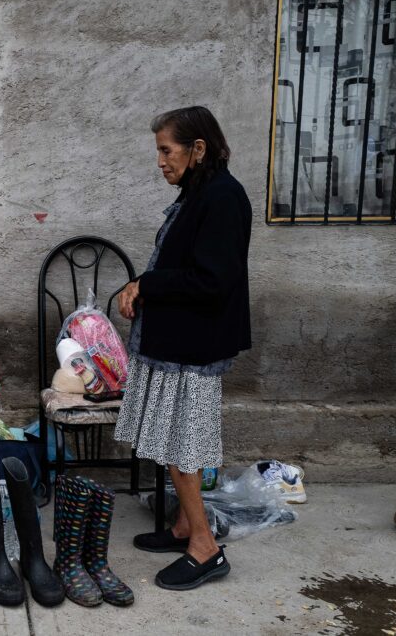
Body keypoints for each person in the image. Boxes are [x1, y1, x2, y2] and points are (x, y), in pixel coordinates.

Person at [114, 106, 252, 591]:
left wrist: (148, 283)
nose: (160, 161)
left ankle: (205, 549)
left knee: (184, 447)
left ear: (198, 149)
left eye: (166, 150)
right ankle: (183, 528)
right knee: (173, 443)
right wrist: (142, 285)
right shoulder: (200, 194)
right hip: (177, 343)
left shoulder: (223, 198)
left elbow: (212, 280)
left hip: (194, 348)